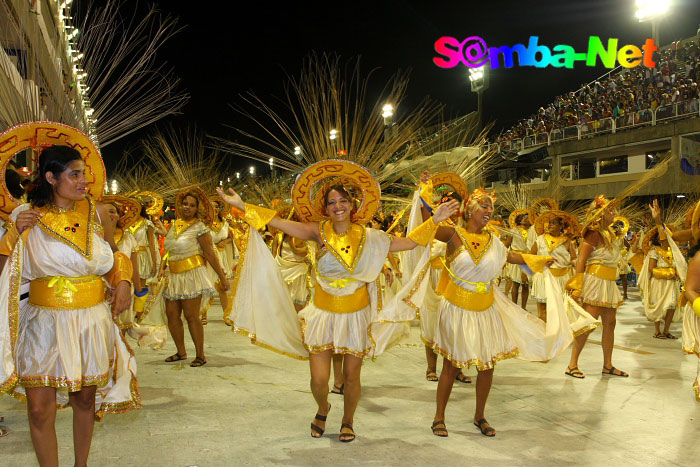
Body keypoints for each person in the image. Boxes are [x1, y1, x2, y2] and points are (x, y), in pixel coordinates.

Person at [217, 179, 458, 443]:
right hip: (322, 314)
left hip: (356, 317)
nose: (338, 206)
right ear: (325, 207)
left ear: (353, 204)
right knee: (319, 380)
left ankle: (348, 420)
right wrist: (242, 206)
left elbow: (410, 243)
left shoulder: (370, 237)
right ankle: (323, 408)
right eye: (332, 202)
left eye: (343, 200)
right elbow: (276, 222)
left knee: (352, 378)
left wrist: (434, 220)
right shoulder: (316, 231)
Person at [0, 140, 140, 467]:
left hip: (90, 319)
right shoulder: (25, 215)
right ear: (51, 177)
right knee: (38, 410)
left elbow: (113, 255)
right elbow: (3, 273)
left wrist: (123, 280)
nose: (84, 181)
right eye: (75, 174)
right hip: (42, 321)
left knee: (85, 399)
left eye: (85, 174)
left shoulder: (97, 212)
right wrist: (12, 236)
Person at [160, 188, 229, 367]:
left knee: (192, 316)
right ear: (179, 206)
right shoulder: (174, 225)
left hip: (192, 276)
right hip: (174, 276)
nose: (187, 208)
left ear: (197, 208)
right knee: (172, 315)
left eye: (192, 205)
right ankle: (181, 352)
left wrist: (222, 277)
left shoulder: (200, 227)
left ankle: (200, 355)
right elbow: (168, 251)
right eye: (185, 204)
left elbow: (210, 254)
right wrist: (161, 268)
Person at [565, 195, 627, 378]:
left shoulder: (611, 233)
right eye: (609, 210)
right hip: (595, 281)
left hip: (608, 281)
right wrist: (578, 285)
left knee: (610, 323)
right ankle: (572, 364)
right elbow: (581, 261)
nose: (614, 213)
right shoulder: (593, 233)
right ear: (600, 215)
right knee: (588, 323)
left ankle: (608, 365)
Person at [529, 212, 577, 322]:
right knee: (543, 310)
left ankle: (558, 334)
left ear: (561, 226)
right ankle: (544, 333)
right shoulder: (540, 239)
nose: (549, 225)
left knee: (561, 310)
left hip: (562, 278)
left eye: (553, 223)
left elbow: (574, 258)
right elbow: (530, 256)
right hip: (544, 277)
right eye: (549, 223)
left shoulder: (568, 241)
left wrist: (575, 263)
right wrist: (539, 263)